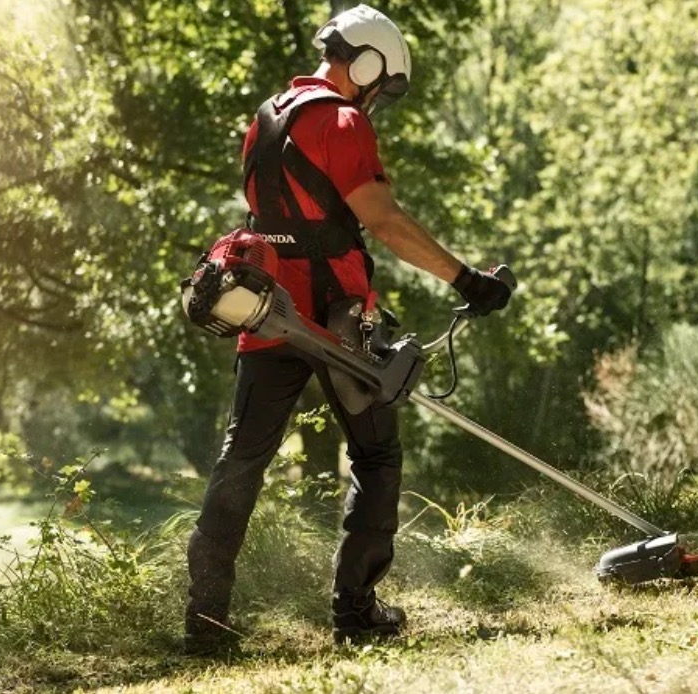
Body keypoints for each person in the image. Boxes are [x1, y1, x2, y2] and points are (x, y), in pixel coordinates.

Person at [184, 4, 511, 654]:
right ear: (365, 61)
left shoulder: (266, 117)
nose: (375, 95)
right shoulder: (341, 119)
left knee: (240, 462)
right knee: (376, 454)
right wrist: (467, 279)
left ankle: (206, 622)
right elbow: (383, 221)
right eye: (379, 82)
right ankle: (355, 612)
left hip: (265, 309)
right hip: (336, 322)